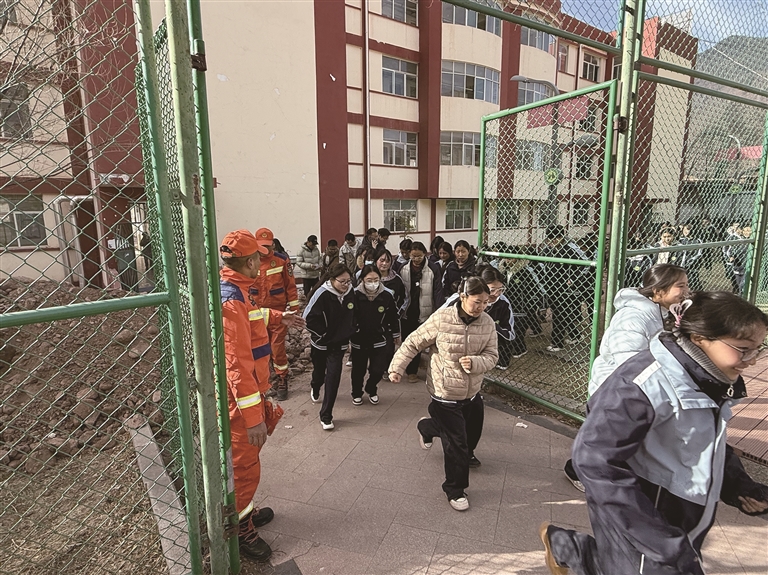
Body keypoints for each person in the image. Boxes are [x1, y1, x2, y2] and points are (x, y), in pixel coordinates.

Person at [541, 291, 768, 575]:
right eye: (744, 349)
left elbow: (706, 442)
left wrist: (740, 487)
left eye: (759, 349)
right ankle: (567, 546)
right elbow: (593, 459)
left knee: (621, 568)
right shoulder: (642, 385)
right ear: (700, 338)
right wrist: (657, 537)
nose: (752, 360)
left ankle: (564, 545)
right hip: (645, 515)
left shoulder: (711, 381)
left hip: (680, 517)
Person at [563, 264, 689, 492]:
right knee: (606, 441)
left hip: (636, 390)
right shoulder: (634, 318)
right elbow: (627, 363)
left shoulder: (664, 313)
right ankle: (576, 471)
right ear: (658, 291)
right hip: (614, 389)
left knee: (620, 440)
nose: (686, 291)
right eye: (680, 286)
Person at [219, 229, 305, 561]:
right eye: (258, 256)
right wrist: (253, 418)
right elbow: (237, 366)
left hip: (247, 394)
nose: (263, 260)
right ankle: (241, 530)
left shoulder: (237, 290)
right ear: (250, 261)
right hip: (240, 403)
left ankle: (244, 513)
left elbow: (253, 316)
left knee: (248, 464)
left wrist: (279, 315)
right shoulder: (232, 300)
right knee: (244, 468)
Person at [389, 276, 499, 512]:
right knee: (456, 443)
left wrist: (476, 363)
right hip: (445, 391)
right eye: (477, 301)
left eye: (485, 302)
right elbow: (413, 342)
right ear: (463, 297)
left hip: (472, 392)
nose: (481, 307)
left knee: (471, 433)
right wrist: (397, 368)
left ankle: (427, 427)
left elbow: (492, 356)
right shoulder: (442, 319)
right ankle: (455, 490)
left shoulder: (487, 323)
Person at [303, 262, 356, 430]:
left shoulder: (350, 292)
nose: (346, 285)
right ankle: (315, 385)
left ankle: (326, 415)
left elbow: (355, 313)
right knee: (319, 373)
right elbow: (308, 318)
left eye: (348, 281)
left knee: (333, 377)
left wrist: (352, 329)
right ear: (332, 280)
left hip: (339, 344)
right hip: (321, 343)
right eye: (342, 281)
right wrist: (323, 334)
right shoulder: (322, 294)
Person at [253, 227, 300, 401]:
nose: (265, 249)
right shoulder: (250, 261)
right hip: (257, 314)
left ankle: (282, 378)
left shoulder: (281, 260)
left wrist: (294, 310)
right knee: (259, 347)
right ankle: (262, 381)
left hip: (279, 313)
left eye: (268, 245)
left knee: (276, 347)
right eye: (262, 246)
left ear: (273, 244)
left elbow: (290, 286)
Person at [441, 264, 514, 370]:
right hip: (456, 347)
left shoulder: (503, 303)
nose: (496, 294)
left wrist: (490, 326)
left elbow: (509, 335)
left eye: (500, 289)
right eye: (492, 290)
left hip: (483, 355)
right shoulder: (460, 299)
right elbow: (437, 321)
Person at [350, 265, 401, 405]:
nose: (373, 283)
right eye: (369, 280)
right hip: (359, 339)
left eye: (376, 279)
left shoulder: (387, 295)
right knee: (358, 370)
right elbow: (348, 317)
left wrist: (395, 333)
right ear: (362, 279)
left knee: (378, 369)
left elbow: (393, 316)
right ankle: (356, 393)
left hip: (380, 338)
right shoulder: (354, 295)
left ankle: (371, 388)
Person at [540, 225, 592, 352]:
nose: (552, 241)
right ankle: (576, 335)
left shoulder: (570, 248)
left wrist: (573, 279)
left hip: (565, 288)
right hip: (551, 285)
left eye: (556, 238)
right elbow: (542, 263)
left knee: (559, 315)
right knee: (563, 312)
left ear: (561, 237)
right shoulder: (548, 249)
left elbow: (586, 264)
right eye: (550, 238)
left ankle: (557, 343)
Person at [398, 241, 442, 382]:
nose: (416, 259)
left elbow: (438, 291)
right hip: (407, 311)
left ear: (425, 254)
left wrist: (438, 311)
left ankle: (421, 372)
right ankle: (408, 369)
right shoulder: (403, 268)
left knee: (421, 342)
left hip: (425, 311)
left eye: (419, 256)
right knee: (407, 341)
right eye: (413, 256)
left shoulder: (433, 268)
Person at [504, 252, 546, 359]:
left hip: (522, 305)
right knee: (511, 326)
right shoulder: (505, 271)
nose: (508, 261)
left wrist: (537, 303)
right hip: (509, 304)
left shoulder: (525, 271)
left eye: (511, 258)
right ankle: (516, 346)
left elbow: (535, 287)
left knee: (518, 328)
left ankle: (521, 348)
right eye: (506, 258)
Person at [375, 249, 406, 315]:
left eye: (387, 261)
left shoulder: (397, 279)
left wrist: (397, 311)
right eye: (382, 260)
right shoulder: (369, 278)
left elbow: (403, 297)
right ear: (376, 261)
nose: (384, 263)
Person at [678, 223, 704, 291]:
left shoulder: (697, 241)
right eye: (684, 229)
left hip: (692, 265)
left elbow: (699, 253)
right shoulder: (680, 240)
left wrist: (691, 260)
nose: (686, 232)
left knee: (693, 280)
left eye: (688, 230)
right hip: (681, 265)